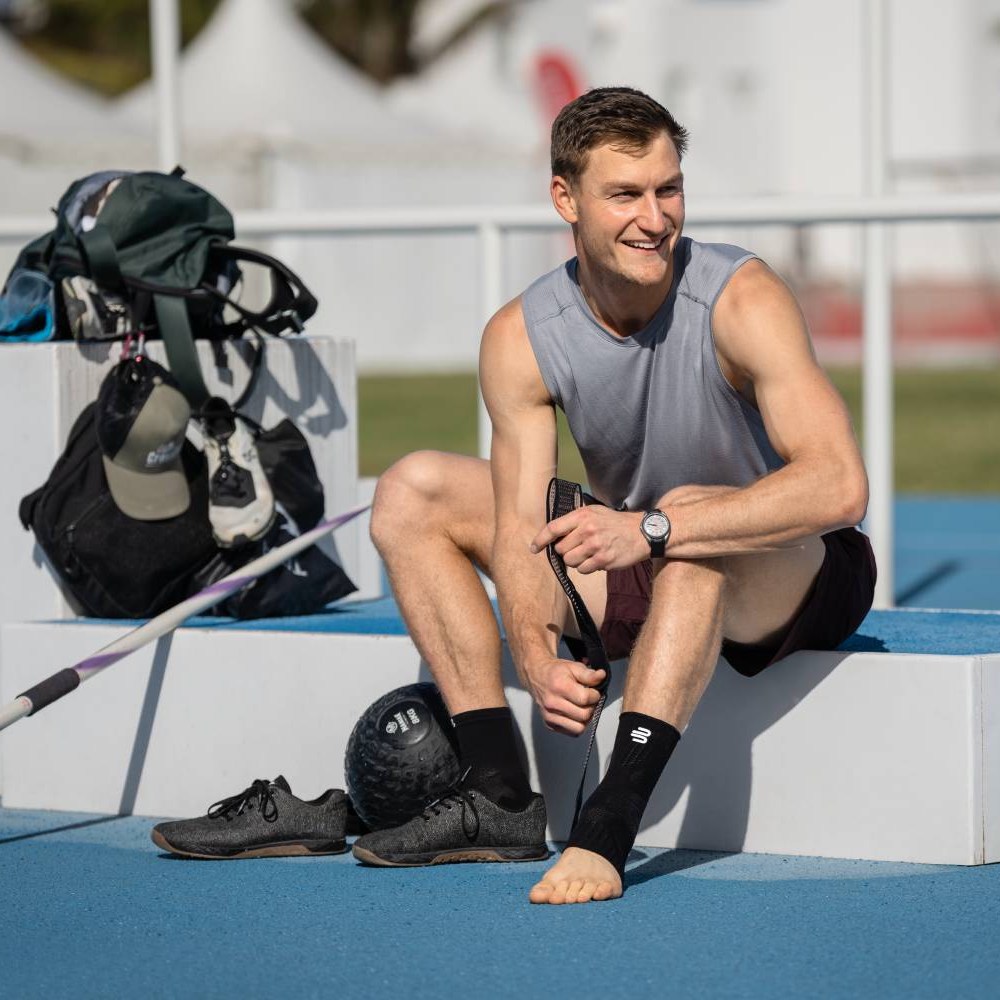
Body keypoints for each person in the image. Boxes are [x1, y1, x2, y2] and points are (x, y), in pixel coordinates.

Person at [352, 86, 876, 904]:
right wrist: (531, 651)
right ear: (565, 198)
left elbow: (840, 485)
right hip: (638, 551)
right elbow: (521, 521)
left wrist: (658, 527)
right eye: (625, 195)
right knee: (412, 489)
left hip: (792, 568)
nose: (654, 217)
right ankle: (496, 795)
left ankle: (607, 828)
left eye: (668, 189)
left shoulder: (741, 298)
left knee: (697, 523)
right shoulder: (521, 334)